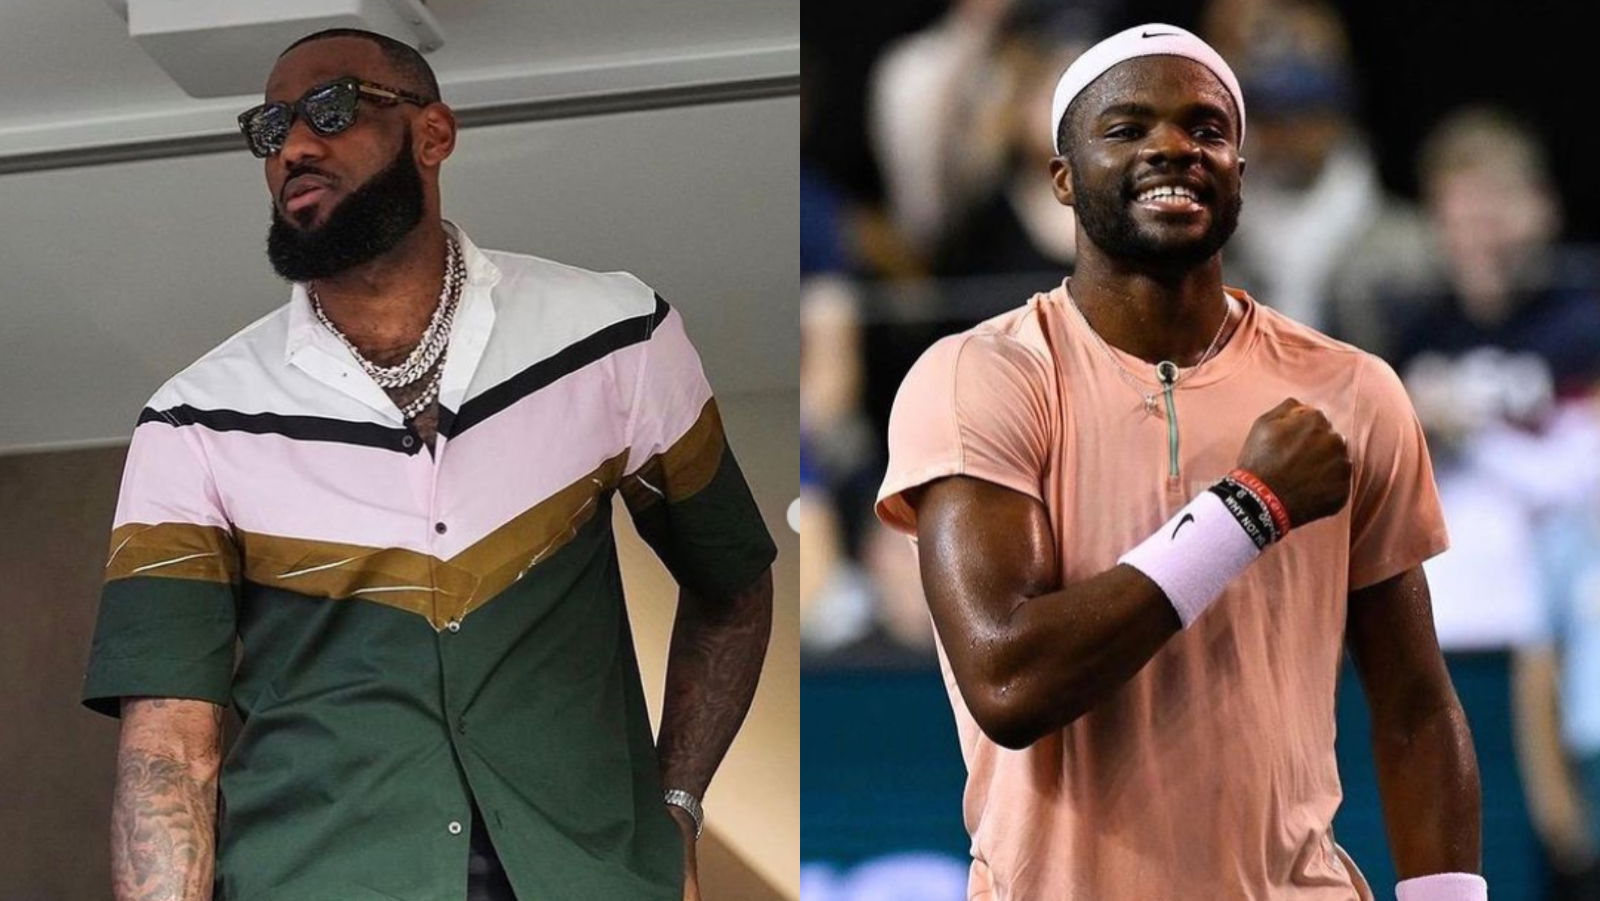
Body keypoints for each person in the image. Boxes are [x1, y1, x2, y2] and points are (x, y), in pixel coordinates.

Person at [82, 29, 776, 901]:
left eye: (330, 110)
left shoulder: (612, 337)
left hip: (586, 874)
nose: (294, 146)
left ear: (433, 134)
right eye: (269, 130)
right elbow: (168, 752)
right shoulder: (195, 421)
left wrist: (676, 803)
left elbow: (734, 586)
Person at [875, 24, 1484, 900]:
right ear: (1061, 177)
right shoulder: (978, 376)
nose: (1173, 146)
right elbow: (1007, 679)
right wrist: (1250, 507)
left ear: (1240, 169)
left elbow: (1416, 705)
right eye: (1126, 129)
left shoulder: (1352, 391)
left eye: (1206, 128)